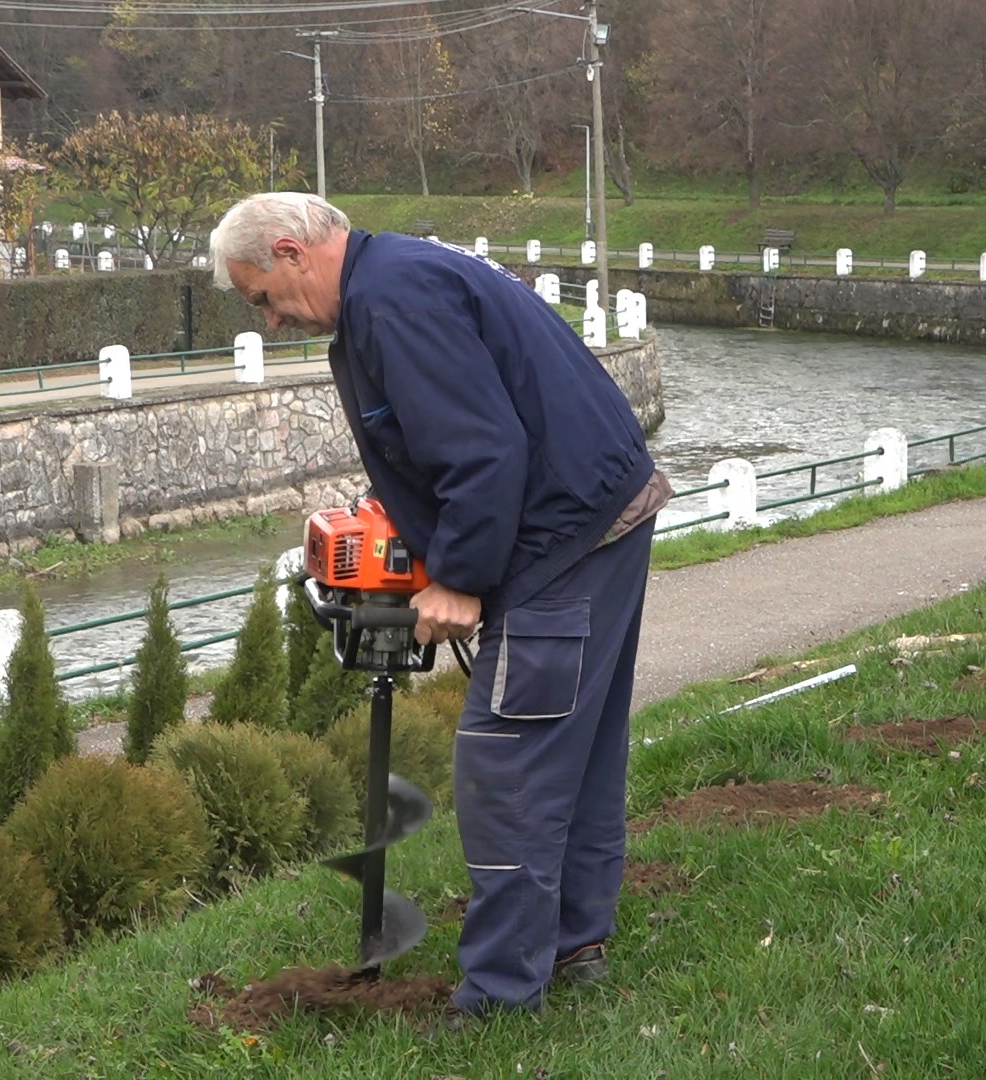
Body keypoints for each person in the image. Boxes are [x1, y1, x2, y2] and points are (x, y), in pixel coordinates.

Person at [210, 193, 672, 1018]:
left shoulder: (393, 301)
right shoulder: (396, 275)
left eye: (264, 299)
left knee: (508, 759)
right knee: (581, 745)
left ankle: (499, 994)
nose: (271, 322)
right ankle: (574, 941)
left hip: (560, 533)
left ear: (290, 251)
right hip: (603, 510)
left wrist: (457, 576)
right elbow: (453, 431)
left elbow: (483, 450)